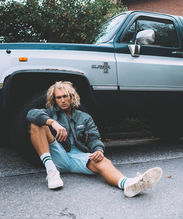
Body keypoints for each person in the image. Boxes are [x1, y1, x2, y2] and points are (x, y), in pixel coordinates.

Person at [26, 81, 162, 197]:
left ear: (71, 97)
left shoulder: (84, 117)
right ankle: (51, 172)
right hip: (57, 155)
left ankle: (128, 184)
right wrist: (52, 123)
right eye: (58, 97)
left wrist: (98, 150)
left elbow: (94, 138)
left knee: (103, 160)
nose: (62, 100)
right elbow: (31, 114)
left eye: (65, 96)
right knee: (36, 125)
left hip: (78, 157)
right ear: (54, 100)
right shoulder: (51, 113)